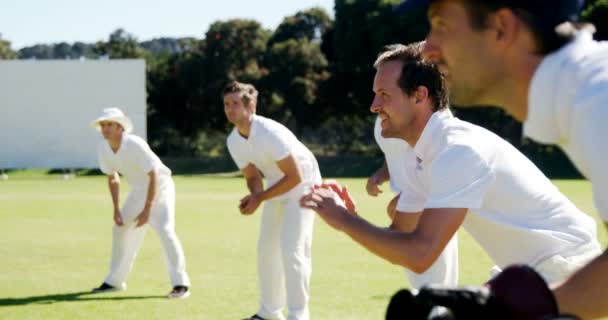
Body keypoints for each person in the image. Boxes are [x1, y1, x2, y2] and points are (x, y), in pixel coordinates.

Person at [300, 42, 600, 287]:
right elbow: (402, 236)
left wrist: (343, 219)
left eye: (384, 95)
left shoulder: (458, 151)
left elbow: (421, 254)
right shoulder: (424, 156)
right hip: (531, 272)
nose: (374, 106)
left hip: (568, 268)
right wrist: (350, 217)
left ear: (420, 95)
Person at [396, 0, 608, 317]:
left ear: (502, 28)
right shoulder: (582, 95)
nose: (428, 48)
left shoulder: (597, 100)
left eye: (442, 24)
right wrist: (495, 311)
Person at [223, 81, 322, 320]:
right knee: (266, 249)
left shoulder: (270, 133)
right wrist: (255, 195)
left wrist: (260, 197)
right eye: (226, 104)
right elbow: (252, 176)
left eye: (235, 103)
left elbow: (295, 176)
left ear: (251, 105)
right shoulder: (233, 141)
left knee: (292, 249)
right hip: (277, 186)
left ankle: (298, 315)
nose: (230, 109)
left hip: (303, 183)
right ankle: (269, 313)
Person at [90, 107, 191, 299]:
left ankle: (181, 284)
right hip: (138, 191)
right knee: (119, 228)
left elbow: (153, 175)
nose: (105, 129)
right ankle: (114, 281)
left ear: (120, 127)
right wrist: (116, 210)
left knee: (165, 230)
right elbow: (113, 178)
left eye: (109, 124)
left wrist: (147, 210)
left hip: (161, 186)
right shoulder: (104, 148)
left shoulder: (134, 144)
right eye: (103, 125)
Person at [368, 115, 459, 289]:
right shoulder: (383, 111)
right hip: (409, 200)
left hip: (428, 198)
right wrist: (381, 174)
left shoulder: (423, 112)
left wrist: (406, 200)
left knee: (434, 275)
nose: (375, 103)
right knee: (421, 276)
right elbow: (394, 153)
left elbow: (437, 151)